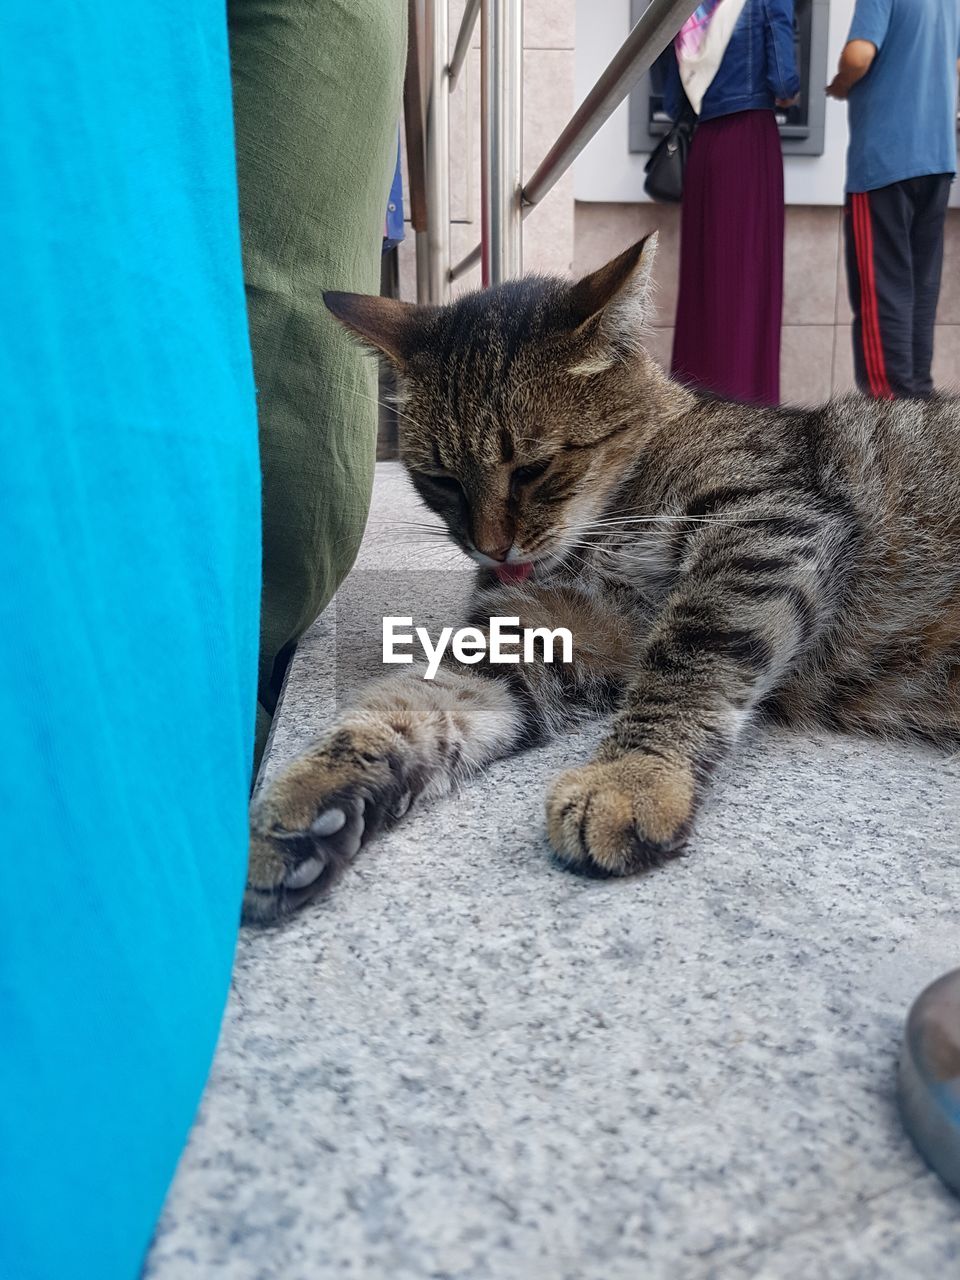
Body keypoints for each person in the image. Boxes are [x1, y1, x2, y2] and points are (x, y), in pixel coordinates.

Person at [666, 0, 800, 406]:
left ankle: (696, 411)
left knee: (704, 288)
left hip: (707, 150)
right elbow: (784, 80)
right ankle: (747, 411)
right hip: (750, 144)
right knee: (748, 285)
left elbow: (674, 103)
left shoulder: (686, 6)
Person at [827, 0, 960, 399]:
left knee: (884, 289)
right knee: (919, 288)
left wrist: (842, 83)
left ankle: (894, 409)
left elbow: (859, 54)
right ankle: (919, 399)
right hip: (936, 158)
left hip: (886, 158)